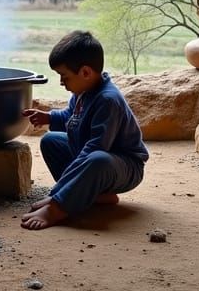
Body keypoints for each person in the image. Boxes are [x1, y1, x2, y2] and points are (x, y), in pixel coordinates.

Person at [21, 30, 149, 230]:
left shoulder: (108, 100)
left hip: (123, 166)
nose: (62, 82)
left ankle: (58, 208)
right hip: (93, 157)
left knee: (96, 158)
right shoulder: (82, 91)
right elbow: (71, 119)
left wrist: (56, 193)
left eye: (64, 76)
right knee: (51, 140)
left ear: (86, 73)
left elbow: (95, 148)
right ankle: (96, 196)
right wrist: (48, 117)